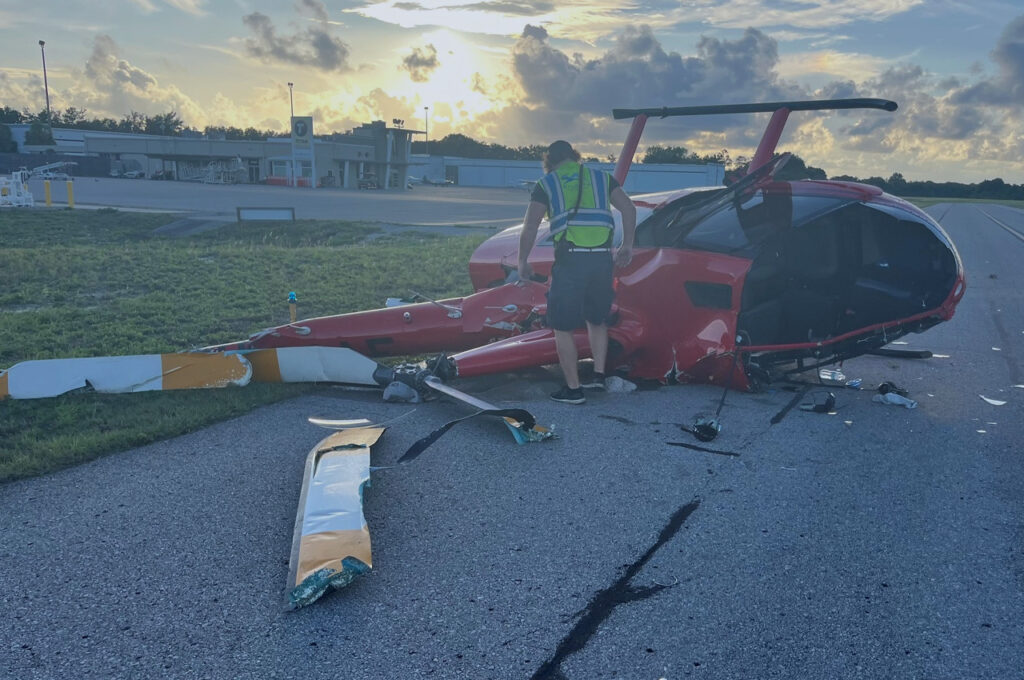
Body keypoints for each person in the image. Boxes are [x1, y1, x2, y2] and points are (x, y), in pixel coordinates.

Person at [518, 140, 637, 405]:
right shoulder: (601, 178)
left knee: (562, 326)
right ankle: (598, 376)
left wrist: (522, 260)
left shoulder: (547, 184)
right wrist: (627, 245)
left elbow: (531, 226)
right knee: (597, 319)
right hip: (602, 258)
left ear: (549, 161)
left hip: (571, 259)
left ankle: (573, 390)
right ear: (575, 156)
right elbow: (629, 208)